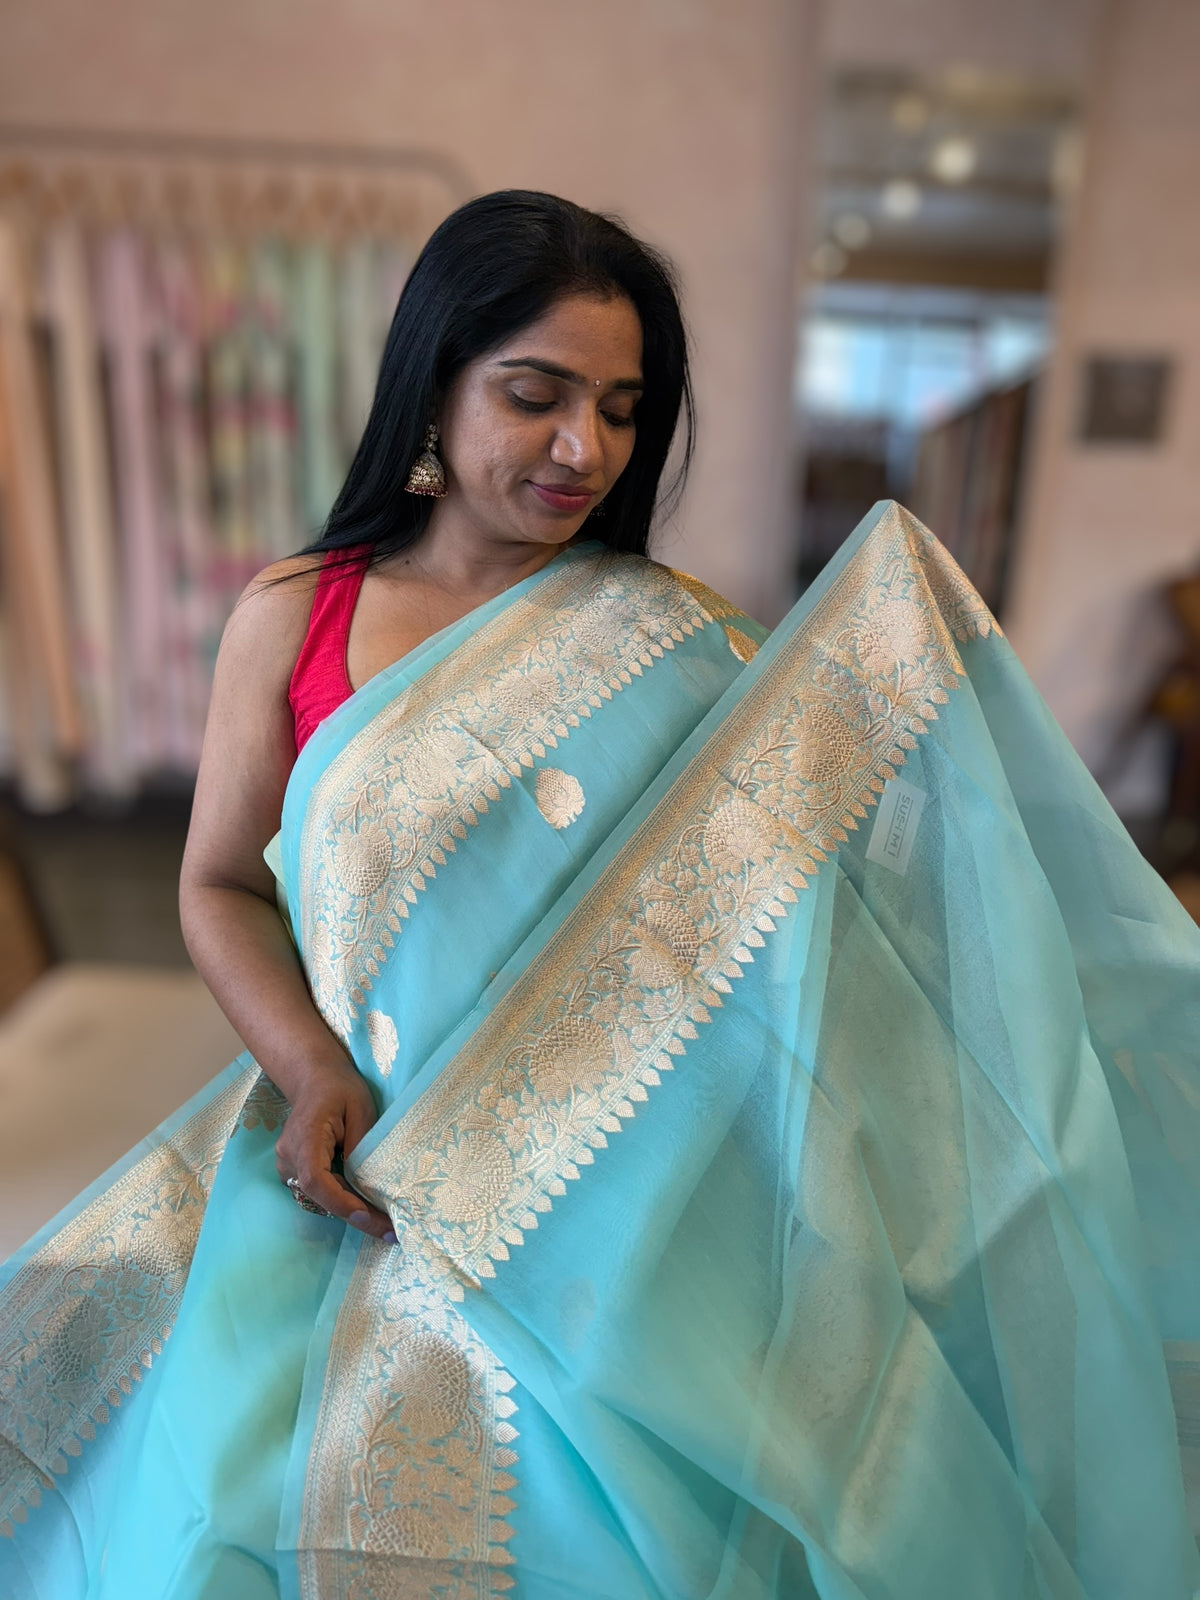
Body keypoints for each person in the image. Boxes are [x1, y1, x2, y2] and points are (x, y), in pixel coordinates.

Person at [0, 191, 1197, 1600]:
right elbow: (214, 883)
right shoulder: (299, 611)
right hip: (351, 1172)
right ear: (432, 385)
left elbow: (784, 918)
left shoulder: (677, 644)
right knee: (209, 1494)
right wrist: (308, 1062)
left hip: (618, 1204)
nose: (587, 449)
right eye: (536, 395)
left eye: (623, 408)